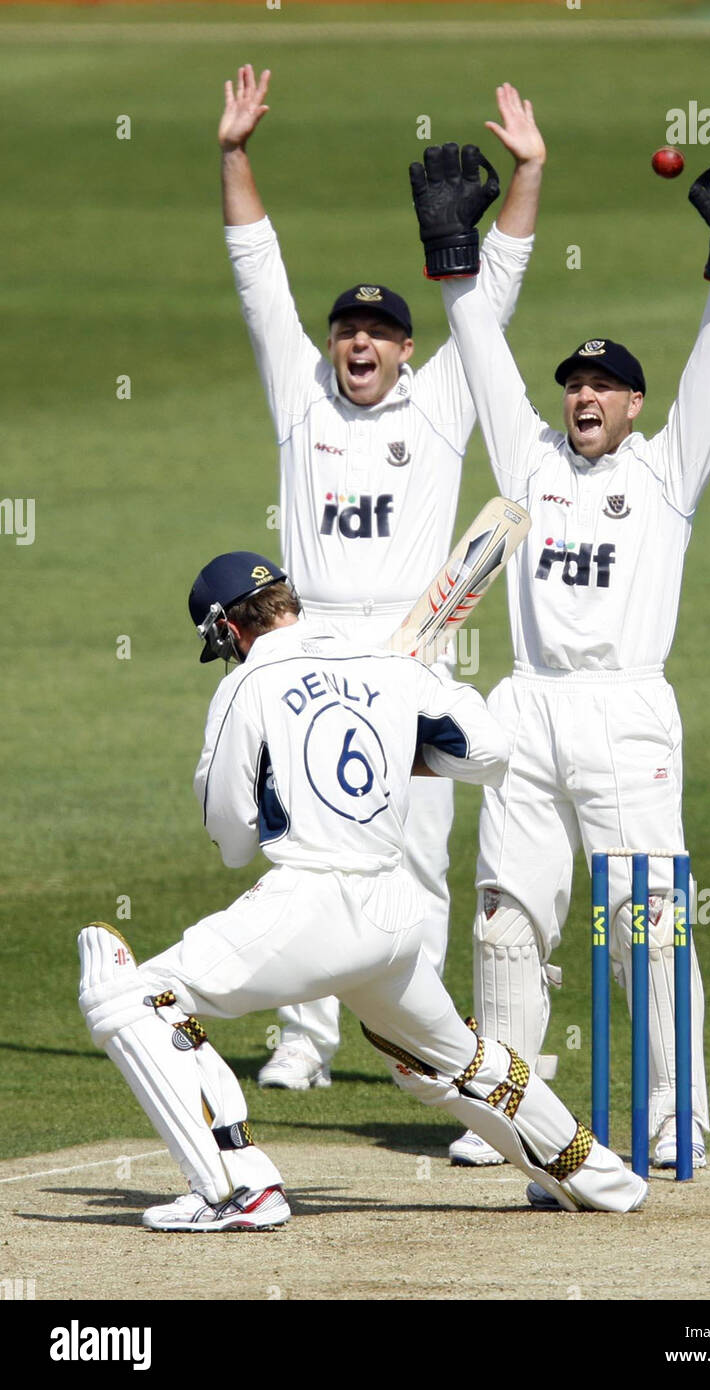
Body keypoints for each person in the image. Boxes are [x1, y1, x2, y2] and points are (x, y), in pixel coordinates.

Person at [77, 551, 647, 1229]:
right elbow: (492, 751)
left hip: (315, 905)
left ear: (227, 629)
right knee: (450, 1062)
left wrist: (277, 782)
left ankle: (238, 1188)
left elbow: (230, 838)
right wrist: (404, 747)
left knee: (130, 997)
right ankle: (596, 1176)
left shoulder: (245, 686)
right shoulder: (391, 665)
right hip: (394, 912)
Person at [410, 153, 710, 1174]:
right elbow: (484, 357)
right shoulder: (529, 459)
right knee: (503, 920)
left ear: (631, 407)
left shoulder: (664, 471)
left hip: (625, 715)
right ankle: (506, 1112)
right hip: (526, 708)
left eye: (605, 386)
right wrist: (451, 263)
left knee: (645, 926)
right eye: (575, 382)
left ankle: (676, 1114)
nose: (585, 395)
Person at [218, 67, 547, 1101]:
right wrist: (233, 153)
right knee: (305, 851)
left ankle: (419, 1042)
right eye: (344, 330)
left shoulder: (443, 398)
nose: (357, 341)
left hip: (410, 648)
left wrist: (530, 172)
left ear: (407, 350)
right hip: (311, 644)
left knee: (413, 857)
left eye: (378, 332)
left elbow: (490, 295)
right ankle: (304, 1038)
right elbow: (256, 274)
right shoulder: (300, 393)